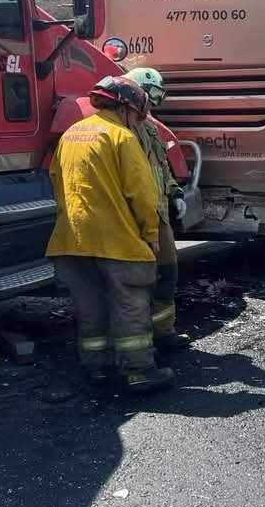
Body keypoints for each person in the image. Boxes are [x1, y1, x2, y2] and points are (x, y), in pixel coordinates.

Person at [46, 76, 175, 394]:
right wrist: (151, 233)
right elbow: (142, 193)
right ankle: (139, 371)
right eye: (138, 115)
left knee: (90, 308)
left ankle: (97, 369)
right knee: (130, 304)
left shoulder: (72, 134)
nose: (139, 121)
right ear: (127, 109)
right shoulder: (121, 137)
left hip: (71, 241)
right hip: (116, 241)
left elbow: (56, 180)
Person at [124, 67, 191, 356]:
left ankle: (164, 332)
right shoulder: (123, 130)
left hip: (159, 214)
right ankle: (139, 341)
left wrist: (175, 193)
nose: (151, 104)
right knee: (138, 281)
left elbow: (162, 168)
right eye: (149, 96)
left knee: (167, 273)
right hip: (135, 218)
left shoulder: (150, 128)